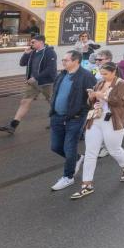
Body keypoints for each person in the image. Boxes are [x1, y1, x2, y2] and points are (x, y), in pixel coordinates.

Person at [70, 62, 124, 199]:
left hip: (113, 120)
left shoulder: (122, 84)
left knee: (114, 149)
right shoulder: (99, 83)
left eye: (105, 74)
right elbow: (90, 102)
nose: (103, 76)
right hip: (96, 119)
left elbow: (119, 102)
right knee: (90, 152)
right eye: (101, 73)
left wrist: (102, 96)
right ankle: (86, 185)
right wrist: (92, 98)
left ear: (114, 71)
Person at [48, 50, 97, 191]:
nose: (63, 62)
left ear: (76, 61)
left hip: (75, 119)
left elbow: (93, 98)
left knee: (69, 148)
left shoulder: (86, 76)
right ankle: (77, 158)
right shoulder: (62, 74)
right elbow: (56, 93)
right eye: (63, 60)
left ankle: (68, 177)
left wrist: (81, 113)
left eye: (66, 60)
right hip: (57, 116)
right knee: (56, 147)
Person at [0, 35, 58, 135]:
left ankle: (58, 121)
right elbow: (22, 63)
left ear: (41, 42)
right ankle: (13, 126)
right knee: (24, 101)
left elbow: (50, 69)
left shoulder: (49, 52)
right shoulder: (32, 52)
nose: (31, 44)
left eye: (33, 42)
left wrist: (36, 77)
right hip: (33, 82)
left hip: (47, 82)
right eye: (31, 42)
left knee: (52, 102)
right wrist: (26, 54)